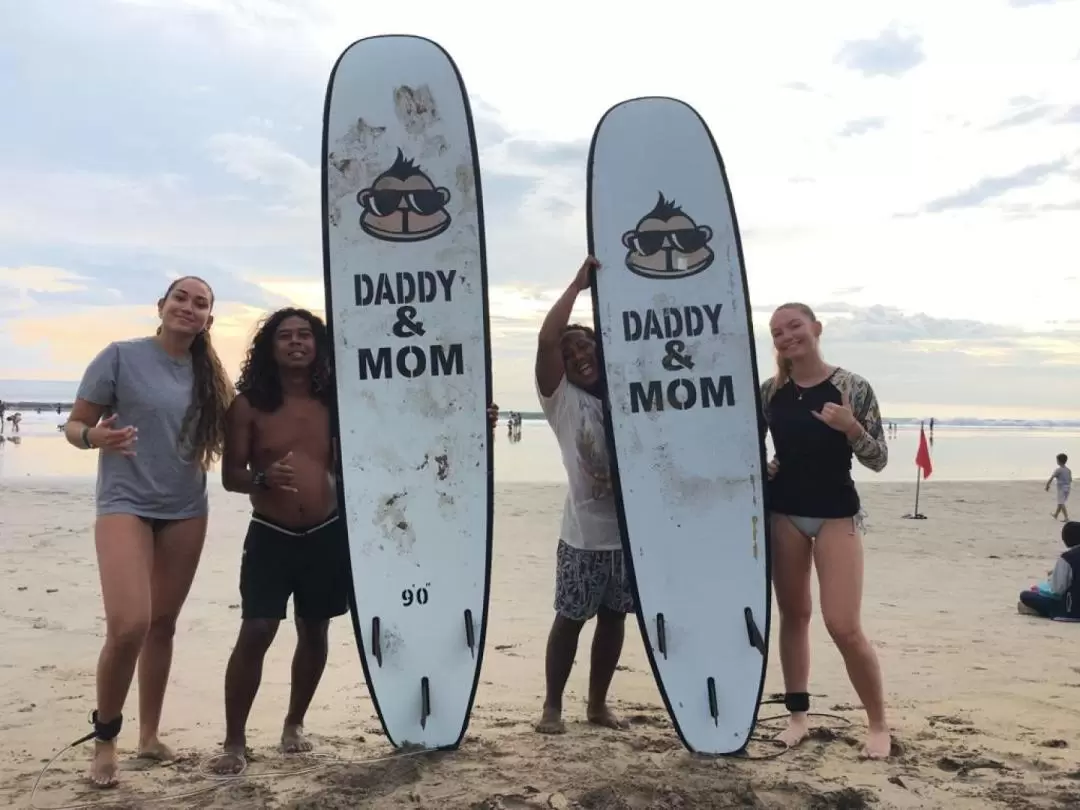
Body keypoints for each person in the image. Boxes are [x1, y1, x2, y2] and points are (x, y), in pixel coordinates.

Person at [212, 308, 501, 772]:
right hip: (270, 534)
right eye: (284, 336)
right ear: (269, 347)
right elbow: (231, 477)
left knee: (315, 629)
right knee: (257, 631)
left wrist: (471, 419)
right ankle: (233, 741)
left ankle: (294, 723)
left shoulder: (341, 400)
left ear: (319, 345)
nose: (296, 343)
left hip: (327, 533)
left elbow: (407, 426)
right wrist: (262, 477)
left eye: (304, 335)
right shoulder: (248, 405)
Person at [64, 276, 233, 787]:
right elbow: (74, 425)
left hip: (186, 508)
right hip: (125, 503)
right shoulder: (119, 356)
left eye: (200, 303)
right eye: (180, 298)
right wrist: (95, 437)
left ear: (209, 319)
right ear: (160, 306)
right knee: (130, 624)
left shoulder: (212, 378)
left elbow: (249, 428)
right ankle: (106, 739)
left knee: (163, 624)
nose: (188, 307)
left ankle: (150, 736)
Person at [760, 302, 892, 760]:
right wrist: (766, 469)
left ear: (816, 328)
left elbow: (878, 459)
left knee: (843, 625)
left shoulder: (852, 386)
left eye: (794, 326)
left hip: (837, 513)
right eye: (777, 331)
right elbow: (741, 446)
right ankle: (797, 716)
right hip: (785, 514)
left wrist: (850, 426)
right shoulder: (770, 391)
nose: (786, 335)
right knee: (793, 616)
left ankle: (877, 724)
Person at [534, 256, 631, 735]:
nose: (577, 355)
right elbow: (547, 340)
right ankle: (552, 706)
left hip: (631, 536)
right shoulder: (561, 401)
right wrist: (577, 284)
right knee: (570, 620)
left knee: (615, 619)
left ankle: (597, 704)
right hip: (583, 537)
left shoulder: (626, 392)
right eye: (569, 354)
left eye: (585, 345)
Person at [1018, 521, 1080, 619]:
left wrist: (1051, 578)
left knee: (1025, 595)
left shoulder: (1067, 558)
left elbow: (1057, 590)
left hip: (1070, 610)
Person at [1046, 453, 1071, 523]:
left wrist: (1047, 485)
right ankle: (1056, 515)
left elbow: (1052, 477)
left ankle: (1066, 517)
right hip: (1068, 488)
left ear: (1058, 461)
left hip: (1061, 489)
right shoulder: (1068, 470)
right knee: (1060, 502)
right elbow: (1070, 479)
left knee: (1061, 502)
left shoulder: (1058, 470)